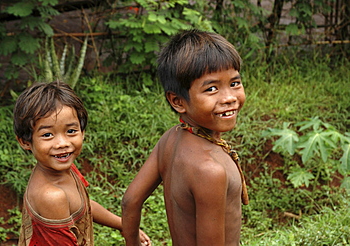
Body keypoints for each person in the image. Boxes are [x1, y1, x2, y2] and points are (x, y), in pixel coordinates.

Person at [121, 29, 249, 246]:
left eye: (234, 83)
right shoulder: (210, 170)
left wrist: (132, 242)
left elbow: (130, 201)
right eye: (211, 88)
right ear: (178, 101)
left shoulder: (170, 139)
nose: (229, 97)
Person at [13, 81, 151, 246]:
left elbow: (83, 204)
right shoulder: (51, 197)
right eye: (48, 135)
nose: (62, 143)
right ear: (25, 142)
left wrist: (122, 224)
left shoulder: (65, 167)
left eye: (71, 131)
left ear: (83, 131)